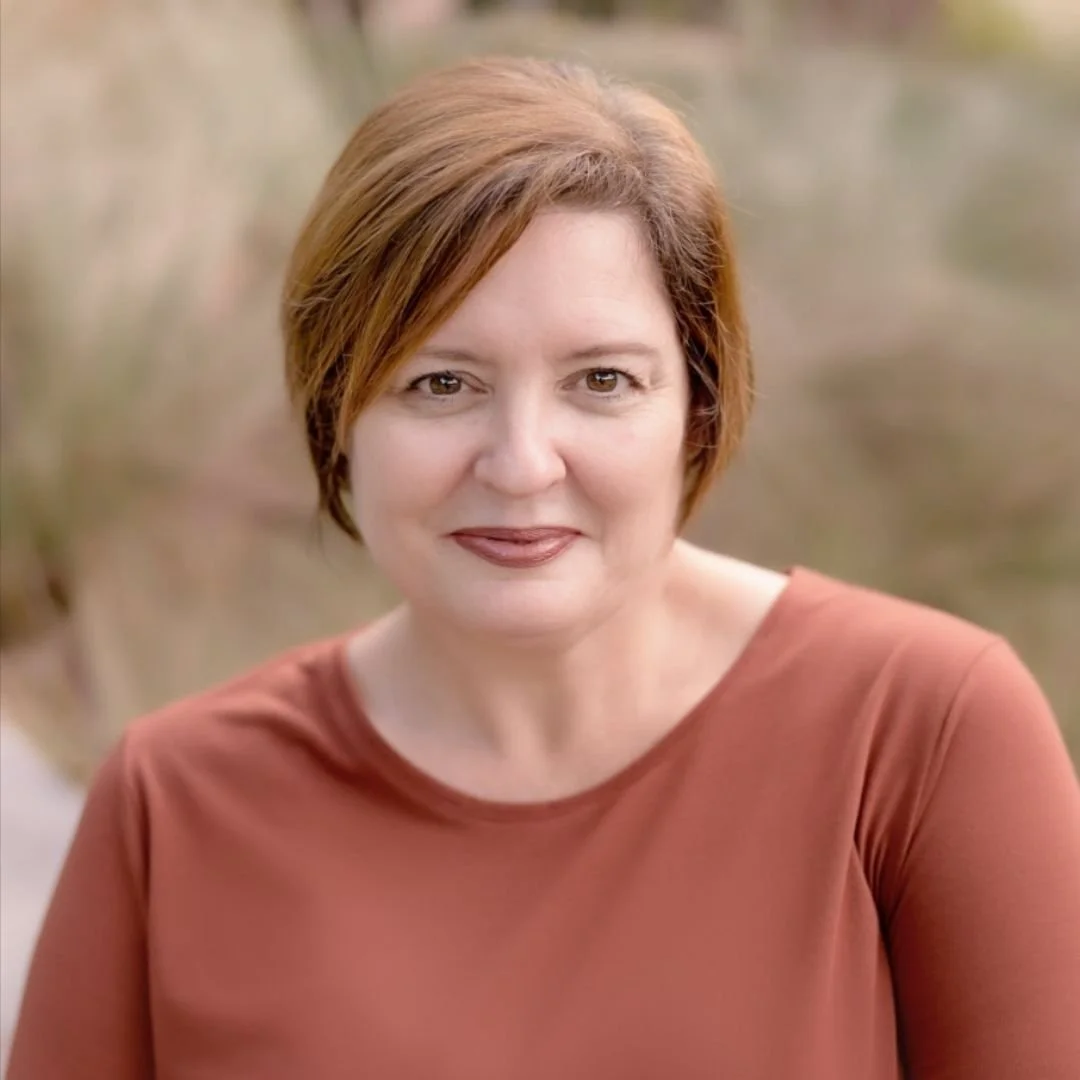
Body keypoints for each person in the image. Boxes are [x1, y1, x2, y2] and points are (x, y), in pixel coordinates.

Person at [8, 56, 1080, 1080]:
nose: (522, 464)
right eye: (441, 385)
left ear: (697, 408)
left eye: (602, 380)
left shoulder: (920, 737)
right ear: (338, 416)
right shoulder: (176, 806)